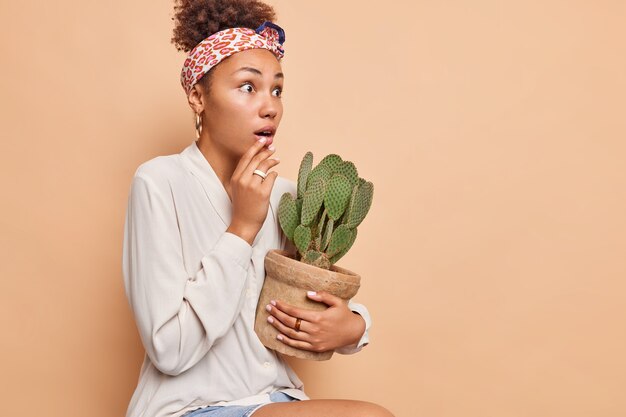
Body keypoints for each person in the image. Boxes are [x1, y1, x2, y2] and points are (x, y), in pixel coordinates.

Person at [122, 1, 393, 416]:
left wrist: (353, 326)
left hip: (275, 400)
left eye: (277, 89)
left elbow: (314, 284)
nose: (270, 106)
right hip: (190, 408)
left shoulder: (288, 196)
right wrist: (242, 228)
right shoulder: (160, 183)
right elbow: (169, 350)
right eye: (248, 87)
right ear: (198, 97)